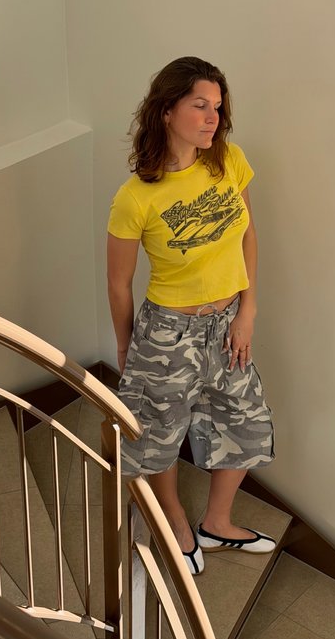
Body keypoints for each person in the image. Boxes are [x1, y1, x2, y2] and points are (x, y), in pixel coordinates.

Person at [107, 56, 275, 575]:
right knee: (159, 434)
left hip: (228, 324)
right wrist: (126, 347)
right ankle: (176, 521)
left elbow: (247, 235)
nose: (212, 118)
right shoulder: (135, 197)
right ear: (166, 110)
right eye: (200, 105)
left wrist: (248, 310)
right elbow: (118, 283)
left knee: (246, 424)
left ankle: (216, 524)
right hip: (167, 331)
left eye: (218, 107)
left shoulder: (229, 161)